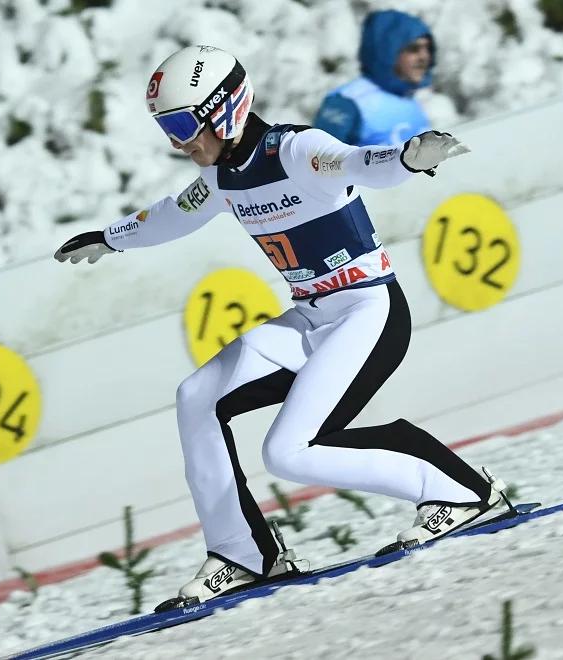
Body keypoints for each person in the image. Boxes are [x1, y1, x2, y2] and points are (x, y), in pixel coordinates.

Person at [54, 45, 506, 607]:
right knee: (197, 396)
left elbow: (361, 164)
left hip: (368, 312)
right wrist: (110, 237)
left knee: (289, 452)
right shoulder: (220, 177)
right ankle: (244, 554)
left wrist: (409, 158)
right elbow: (171, 214)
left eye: (180, 124)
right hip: (313, 317)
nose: (178, 142)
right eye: (166, 129)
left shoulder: (297, 150)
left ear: (223, 109)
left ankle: (461, 493)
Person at [313, 9, 436, 146]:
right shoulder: (348, 101)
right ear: (388, 51)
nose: (424, 57)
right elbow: (316, 160)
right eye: (414, 49)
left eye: (428, 49)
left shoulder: (411, 99)